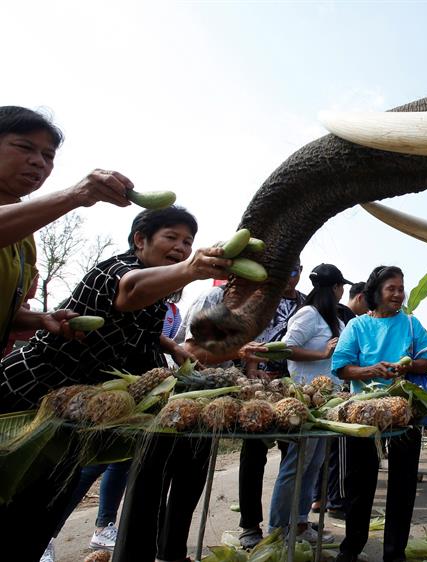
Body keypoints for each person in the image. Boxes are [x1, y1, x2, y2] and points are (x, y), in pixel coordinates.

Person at [0, 206, 229, 561]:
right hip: (30, 396)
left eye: (188, 242)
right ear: (140, 239)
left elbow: (138, 334)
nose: (181, 248)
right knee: (14, 498)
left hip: (76, 413)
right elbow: (129, 291)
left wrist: (171, 348)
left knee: (42, 508)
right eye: (172, 238)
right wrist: (191, 269)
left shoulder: (159, 295)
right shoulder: (118, 270)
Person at [0, 106, 132, 355]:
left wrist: (41, 319)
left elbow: (7, 308)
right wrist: (75, 194)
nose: (39, 161)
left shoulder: (25, 232)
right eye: (24, 147)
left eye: (48, 155)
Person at [331, 265, 427, 562]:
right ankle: (351, 547)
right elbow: (341, 367)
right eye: (391, 288)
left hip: (404, 413)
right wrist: (370, 370)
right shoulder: (357, 326)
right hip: (363, 413)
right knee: (359, 483)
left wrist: (406, 366)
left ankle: (394, 553)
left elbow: (426, 361)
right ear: (375, 293)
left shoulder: (412, 324)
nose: (398, 294)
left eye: (401, 288)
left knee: (402, 486)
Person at [248, 263, 351, 543]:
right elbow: (286, 348)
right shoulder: (308, 314)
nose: (343, 292)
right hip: (304, 399)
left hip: (327, 402)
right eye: (342, 286)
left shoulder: (335, 319)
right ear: (333, 288)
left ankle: (301, 523)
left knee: (314, 464)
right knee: (296, 464)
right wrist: (321, 352)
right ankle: (279, 528)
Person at [234, 260, 306, 549]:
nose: (293, 274)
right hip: (258, 386)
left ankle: (288, 521)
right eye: (288, 268)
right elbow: (243, 334)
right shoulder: (259, 297)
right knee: (253, 454)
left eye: (297, 269)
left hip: (293, 388)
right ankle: (250, 525)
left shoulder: (304, 302)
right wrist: (250, 367)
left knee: (293, 455)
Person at [312, 281, 367, 519]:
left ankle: (319, 498)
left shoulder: (339, 316)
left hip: (328, 391)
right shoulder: (345, 317)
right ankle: (335, 501)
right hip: (324, 391)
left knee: (322, 454)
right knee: (335, 452)